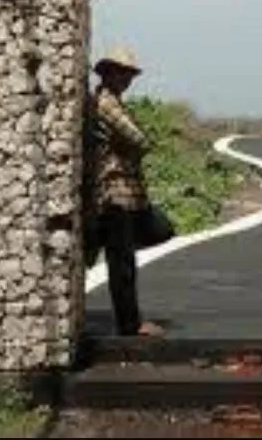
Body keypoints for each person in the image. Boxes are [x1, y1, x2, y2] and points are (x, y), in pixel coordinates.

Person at [83, 46, 175, 337]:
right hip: (115, 193)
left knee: (158, 231)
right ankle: (130, 325)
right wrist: (135, 145)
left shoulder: (114, 102)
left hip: (130, 195)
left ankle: (101, 240)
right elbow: (138, 139)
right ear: (108, 73)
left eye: (129, 74)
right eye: (121, 73)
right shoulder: (107, 104)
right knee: (122, 264)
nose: (126, 79)